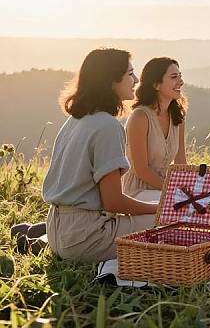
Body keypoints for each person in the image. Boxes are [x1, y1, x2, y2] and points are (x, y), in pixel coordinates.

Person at [42, 48, 158, 263]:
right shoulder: (108, 126)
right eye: (130, 73)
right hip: (87, 238)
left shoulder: (75, 120)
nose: (136, 79)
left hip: (56, 232)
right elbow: (114, 202)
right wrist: (157, 209)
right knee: (170, 220)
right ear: (111, 81)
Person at [122, 57, 187, 202]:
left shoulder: (178, 117)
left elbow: (181, 162)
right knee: (182, 205)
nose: (180, 82)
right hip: (137, 192)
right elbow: (141, 170)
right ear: (156, 84)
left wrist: (188, 190)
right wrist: (174, 191)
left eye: (180, 76)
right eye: (174, 77)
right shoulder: (140, 117)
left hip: (165, 189)